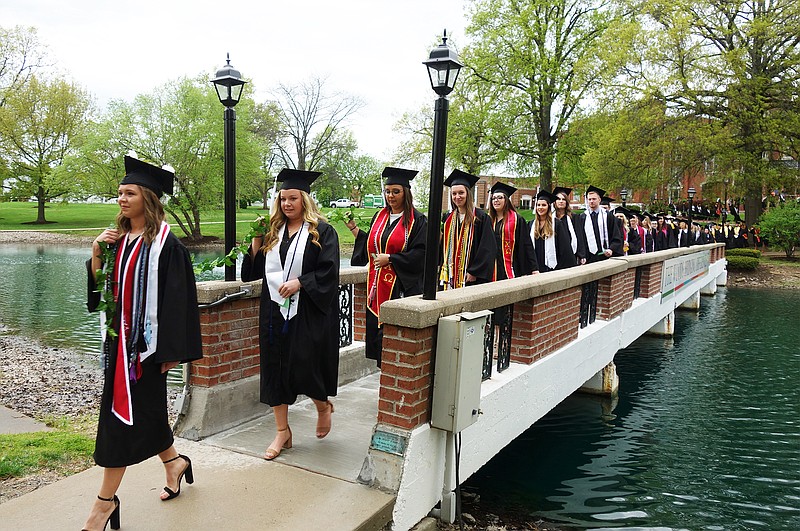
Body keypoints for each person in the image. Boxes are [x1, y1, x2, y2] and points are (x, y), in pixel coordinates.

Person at [83, 155, 203, 531]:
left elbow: (178, 300)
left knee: (119, 421)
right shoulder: (117, 240)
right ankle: (175, 463)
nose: (121, 199)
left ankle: (104, 503)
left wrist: (169, 352)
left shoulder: (168, 246)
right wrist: (96, 256)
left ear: (148, 198)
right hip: (116, 345)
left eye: (129, 193)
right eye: (119, 193)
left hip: (147, 351)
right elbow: (103, 290)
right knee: (147, 413)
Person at [241, 168, 340, 460]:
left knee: (304, 364)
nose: (287, 204)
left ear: (304, 200)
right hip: (273, 310)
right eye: (283, 199)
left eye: (293, 198)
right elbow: (253, 273)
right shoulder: (274, 231)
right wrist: (256, 241)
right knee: (274, 370)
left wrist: (301, 282)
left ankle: (322, 406)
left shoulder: (322, 231)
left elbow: (329, 271)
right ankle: (282, 431)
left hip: (306, 309)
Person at [347, 167, 427, 367]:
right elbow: (373, 245)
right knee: (379, 341)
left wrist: (391, 258)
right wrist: (355, 229)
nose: (391, 196)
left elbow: (421, 253)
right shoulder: (379, 216)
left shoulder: (417, 221)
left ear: (405, 192)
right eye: (387, 191)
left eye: (396, 191)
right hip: (376, 287)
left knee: (394, 337)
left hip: (400, 287)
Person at [439, 169, 497, 289]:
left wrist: (474, 271)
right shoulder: (449, 219)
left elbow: (487, 247)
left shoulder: (480, 217)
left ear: (468, 194)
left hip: (471, 277)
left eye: (461, 193)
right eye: (454, 194)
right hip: (450, 275)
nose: (457, 197)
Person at [487, 181, 537, 280]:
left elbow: (526, 244)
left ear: (506, 200)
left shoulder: (517, 219)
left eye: (500, 197)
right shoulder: (488, 220)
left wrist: (534, 268)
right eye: (493, 198)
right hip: (491, 266)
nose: (496, 200)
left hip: (512, 265)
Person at [529, 190, 577, 272]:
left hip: (552, 266)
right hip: (536, 266)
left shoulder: (557, 224)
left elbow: (564, 247)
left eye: (544, 205)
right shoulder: (531, 224)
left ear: (549, 207)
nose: (540, 207)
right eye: (538, 205)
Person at [576, 185, 623, 264]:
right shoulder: (582, 217)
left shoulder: (608, 216)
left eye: (594, 199)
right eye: (589, 199)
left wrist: (611, 249)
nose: (591, 201)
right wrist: (582, 255)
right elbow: (580, 238)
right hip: (589, 257)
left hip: (605, 255)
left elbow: (616, 234)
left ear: (599, 200)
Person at [552, 186, 580, 263]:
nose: (561, 201)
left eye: (563, 199)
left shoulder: (573, 217)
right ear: (554, 201)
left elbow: (579, 235)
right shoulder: (551, 218)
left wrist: (581, 254)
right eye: (558, 199)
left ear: (566, 202)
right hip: (554, 253)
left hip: (570, 253)